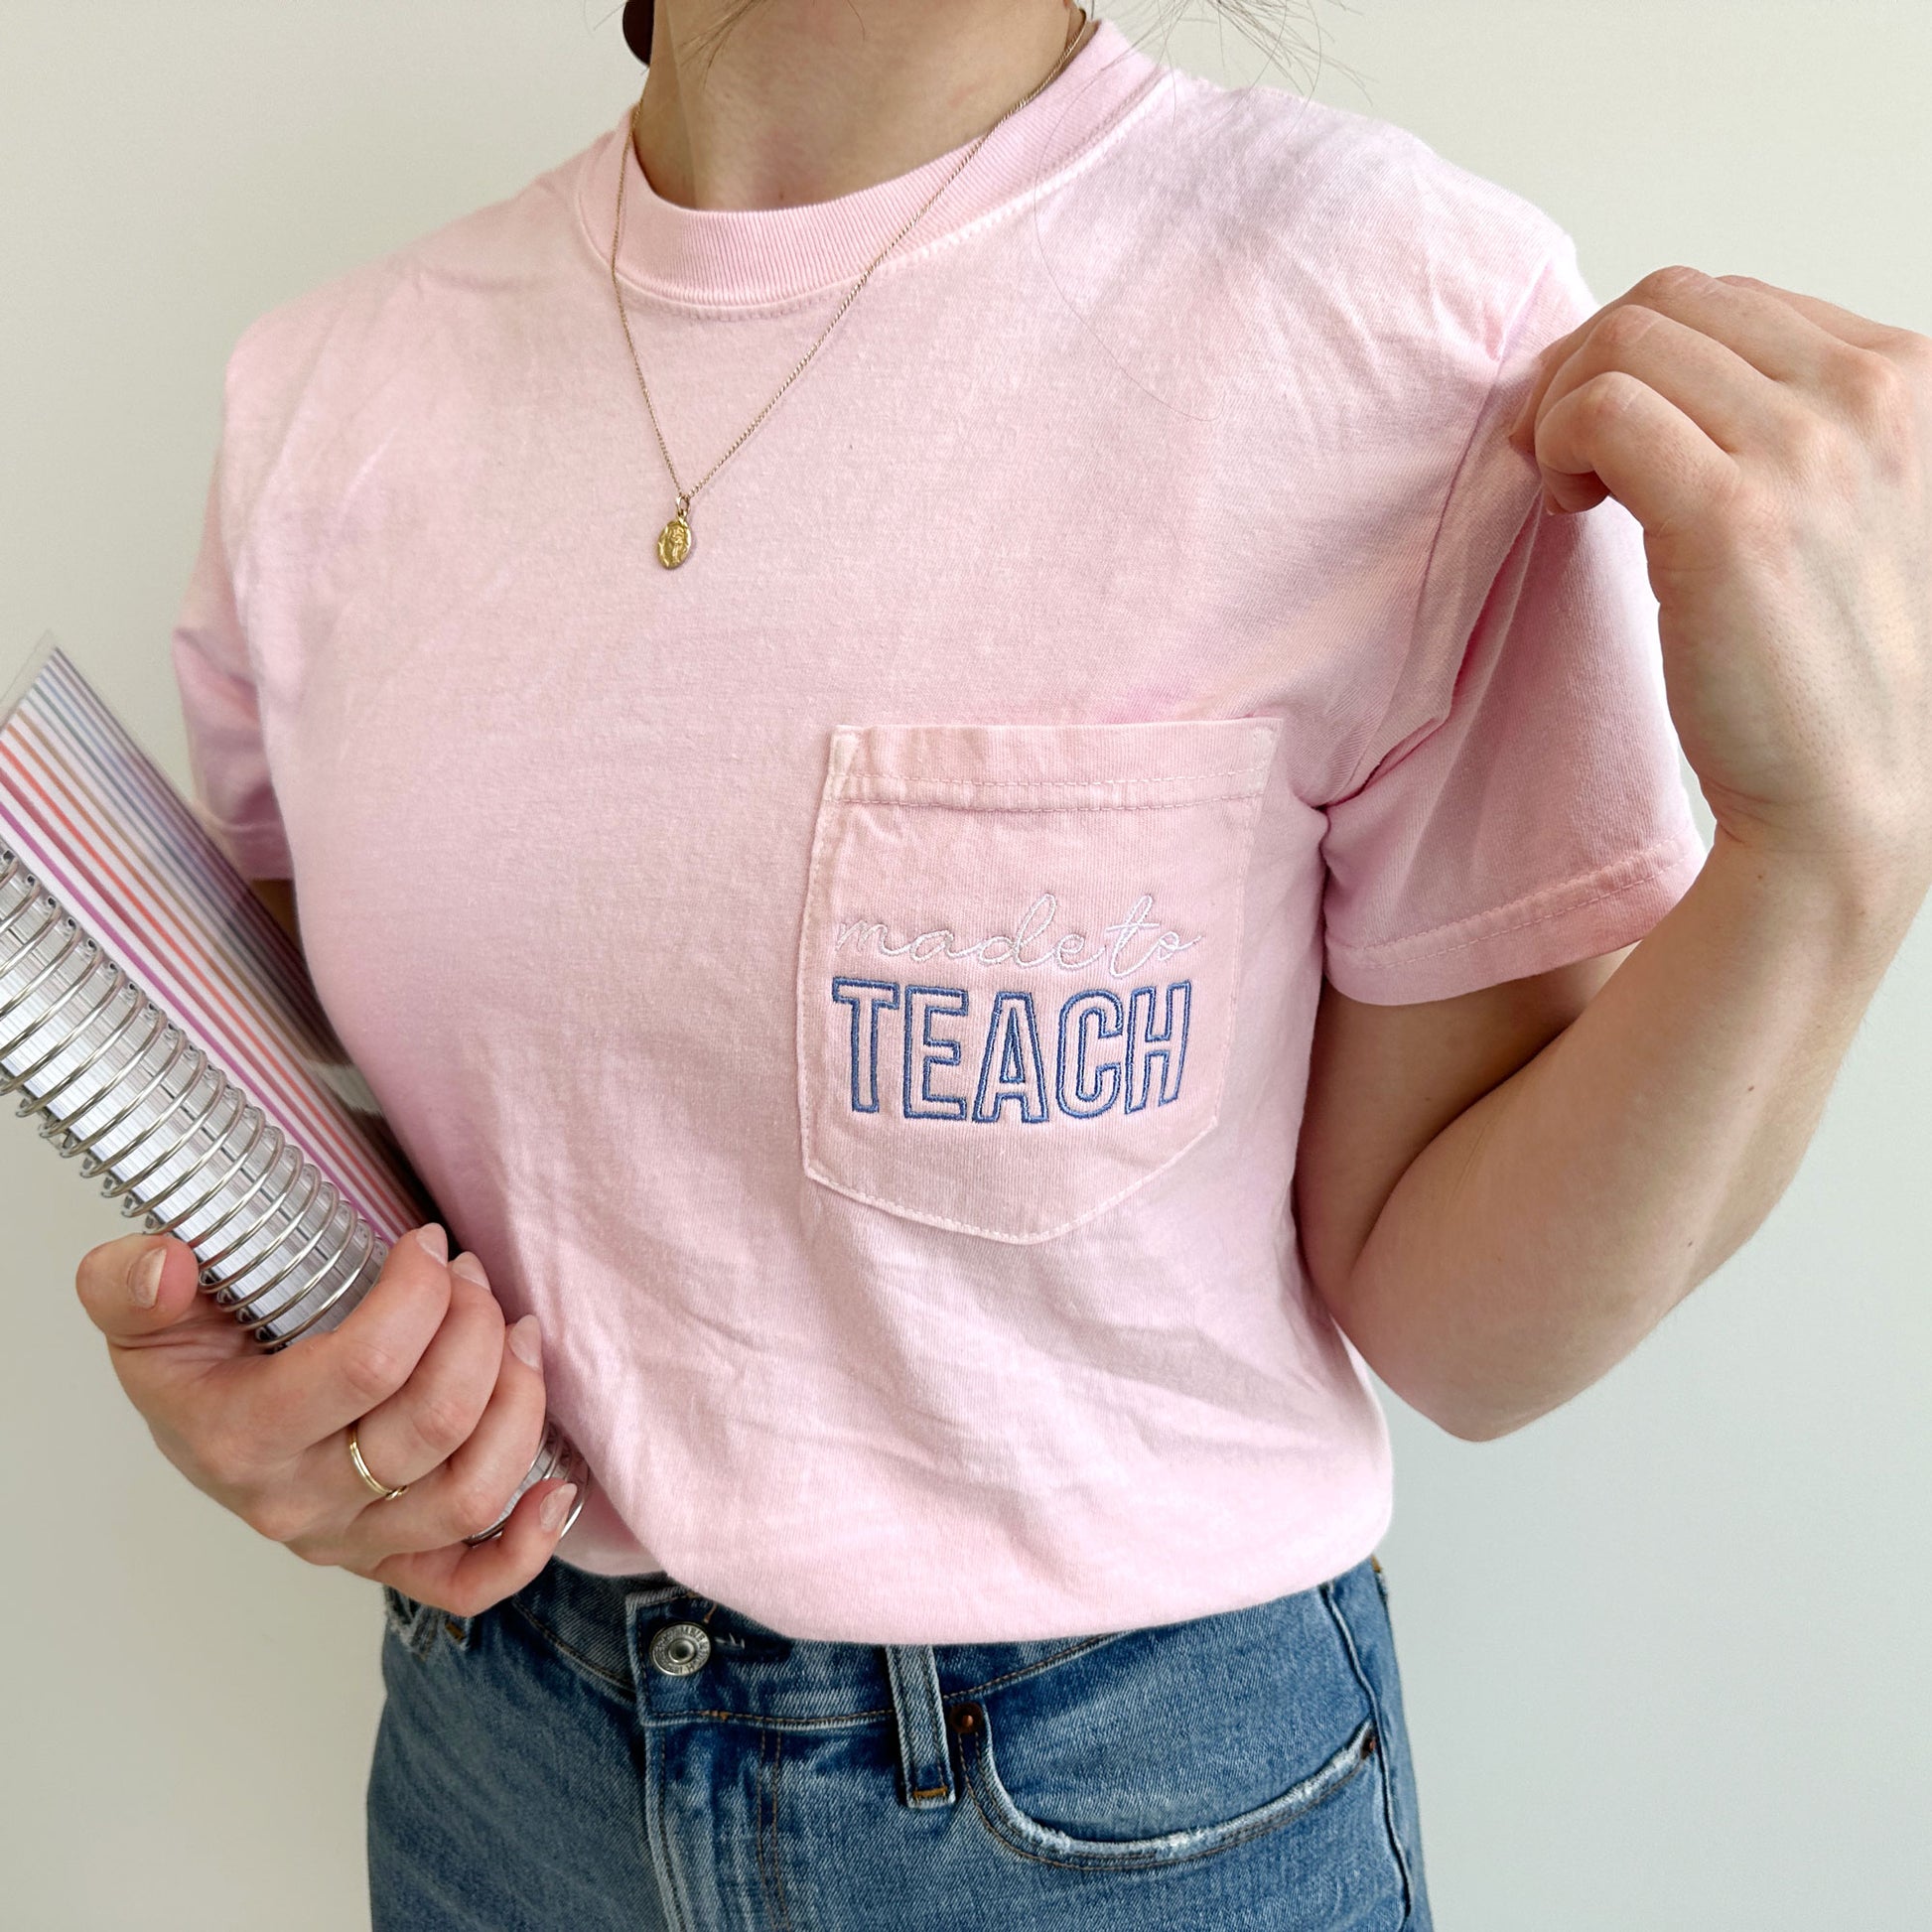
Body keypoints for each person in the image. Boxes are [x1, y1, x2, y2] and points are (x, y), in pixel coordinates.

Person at [70, 0, 1931, 1925]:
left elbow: (1457, 1321)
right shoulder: (329, 399)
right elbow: (359, 1148)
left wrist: (1824, 865)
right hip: (495, 1769)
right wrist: (288, 1389)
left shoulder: (1396, 325)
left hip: (1119, 1814)